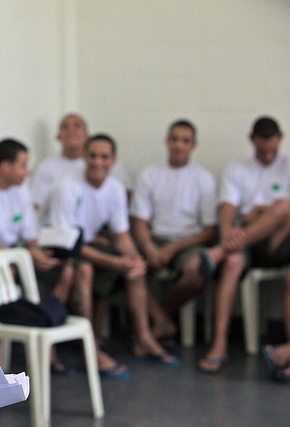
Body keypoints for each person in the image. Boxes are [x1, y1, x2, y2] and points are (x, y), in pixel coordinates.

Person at [46, 134, 181, 376]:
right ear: (85, 158)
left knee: (133, 265)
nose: (98, 162)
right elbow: (67, 244)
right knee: (85, 270)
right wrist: (114, 262)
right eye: (93, 156)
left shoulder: (116, 188)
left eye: (104, 157)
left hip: (86, 243)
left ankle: (143, 339)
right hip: (56, 248)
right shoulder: (65, 187)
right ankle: (90, 349)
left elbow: (121, 236)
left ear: (113, 161)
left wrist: (132, 258)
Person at [0, 138, 87, 374]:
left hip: (18, 258)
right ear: (5, 167)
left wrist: (41, 254)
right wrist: (24, 255)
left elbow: (31, 237)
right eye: (23, 165)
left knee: (65, 268)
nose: (28, 172)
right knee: (6, 277)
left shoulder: (20, 191)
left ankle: (47, 343)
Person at [199, 117, 290, 373]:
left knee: (282, 207)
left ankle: (219, 252)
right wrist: (230, 235)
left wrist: (262, 213)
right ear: (252, 141)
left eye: (273, 150)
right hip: (247, 241)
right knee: (233, 261)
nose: (268, 156)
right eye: (263, 151)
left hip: (281, 240)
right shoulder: (236, 168)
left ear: (281, 139)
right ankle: (219, 345)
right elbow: (228, 210)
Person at [131, 120, 217, 343]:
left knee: (198, 270)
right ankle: (161, 323)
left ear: (193, 145)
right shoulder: (149, 174)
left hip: (189, 242)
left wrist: (174, 247)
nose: (179, 145)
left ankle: (162, 316)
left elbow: (210, 231)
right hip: (156, 239)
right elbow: (139, 222)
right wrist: (150, 248)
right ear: (167, 141)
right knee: (130, 267)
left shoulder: (204, 178)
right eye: (175, 139)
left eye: (185, 141)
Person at [30, 113, 133, 212]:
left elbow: (126, 193)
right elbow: (37, 203)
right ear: (58, 137)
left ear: (88, 136)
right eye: (65, 127)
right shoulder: (45, 166)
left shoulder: (105, 162)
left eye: (77, 126)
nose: (71, 130)